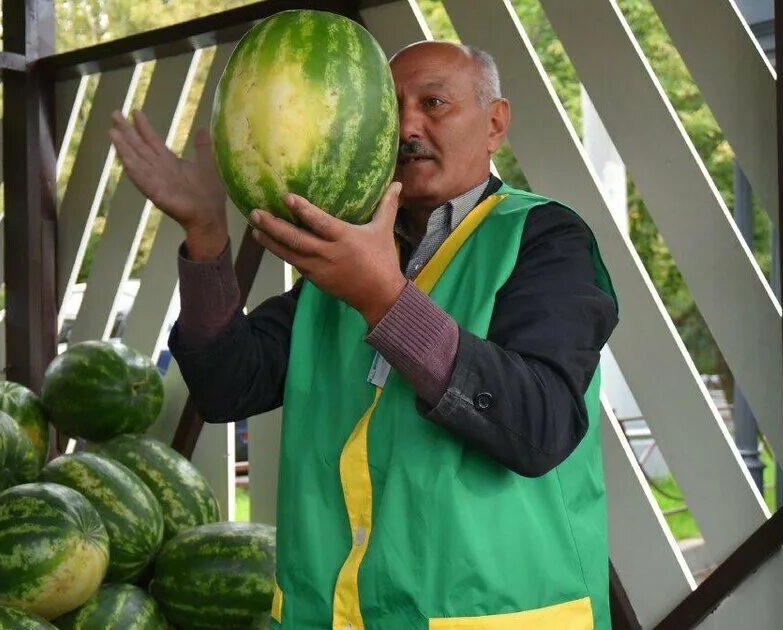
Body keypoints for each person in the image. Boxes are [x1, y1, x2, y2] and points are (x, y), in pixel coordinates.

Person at [110, 40, 618, 629]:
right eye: (390, 110)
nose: (407, 126)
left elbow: (539, 424)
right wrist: (204, 233)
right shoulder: (347, 259)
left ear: (494, 124)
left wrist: (382, 297)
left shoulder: (543, 239)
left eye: (434, 103)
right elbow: (227, 385)